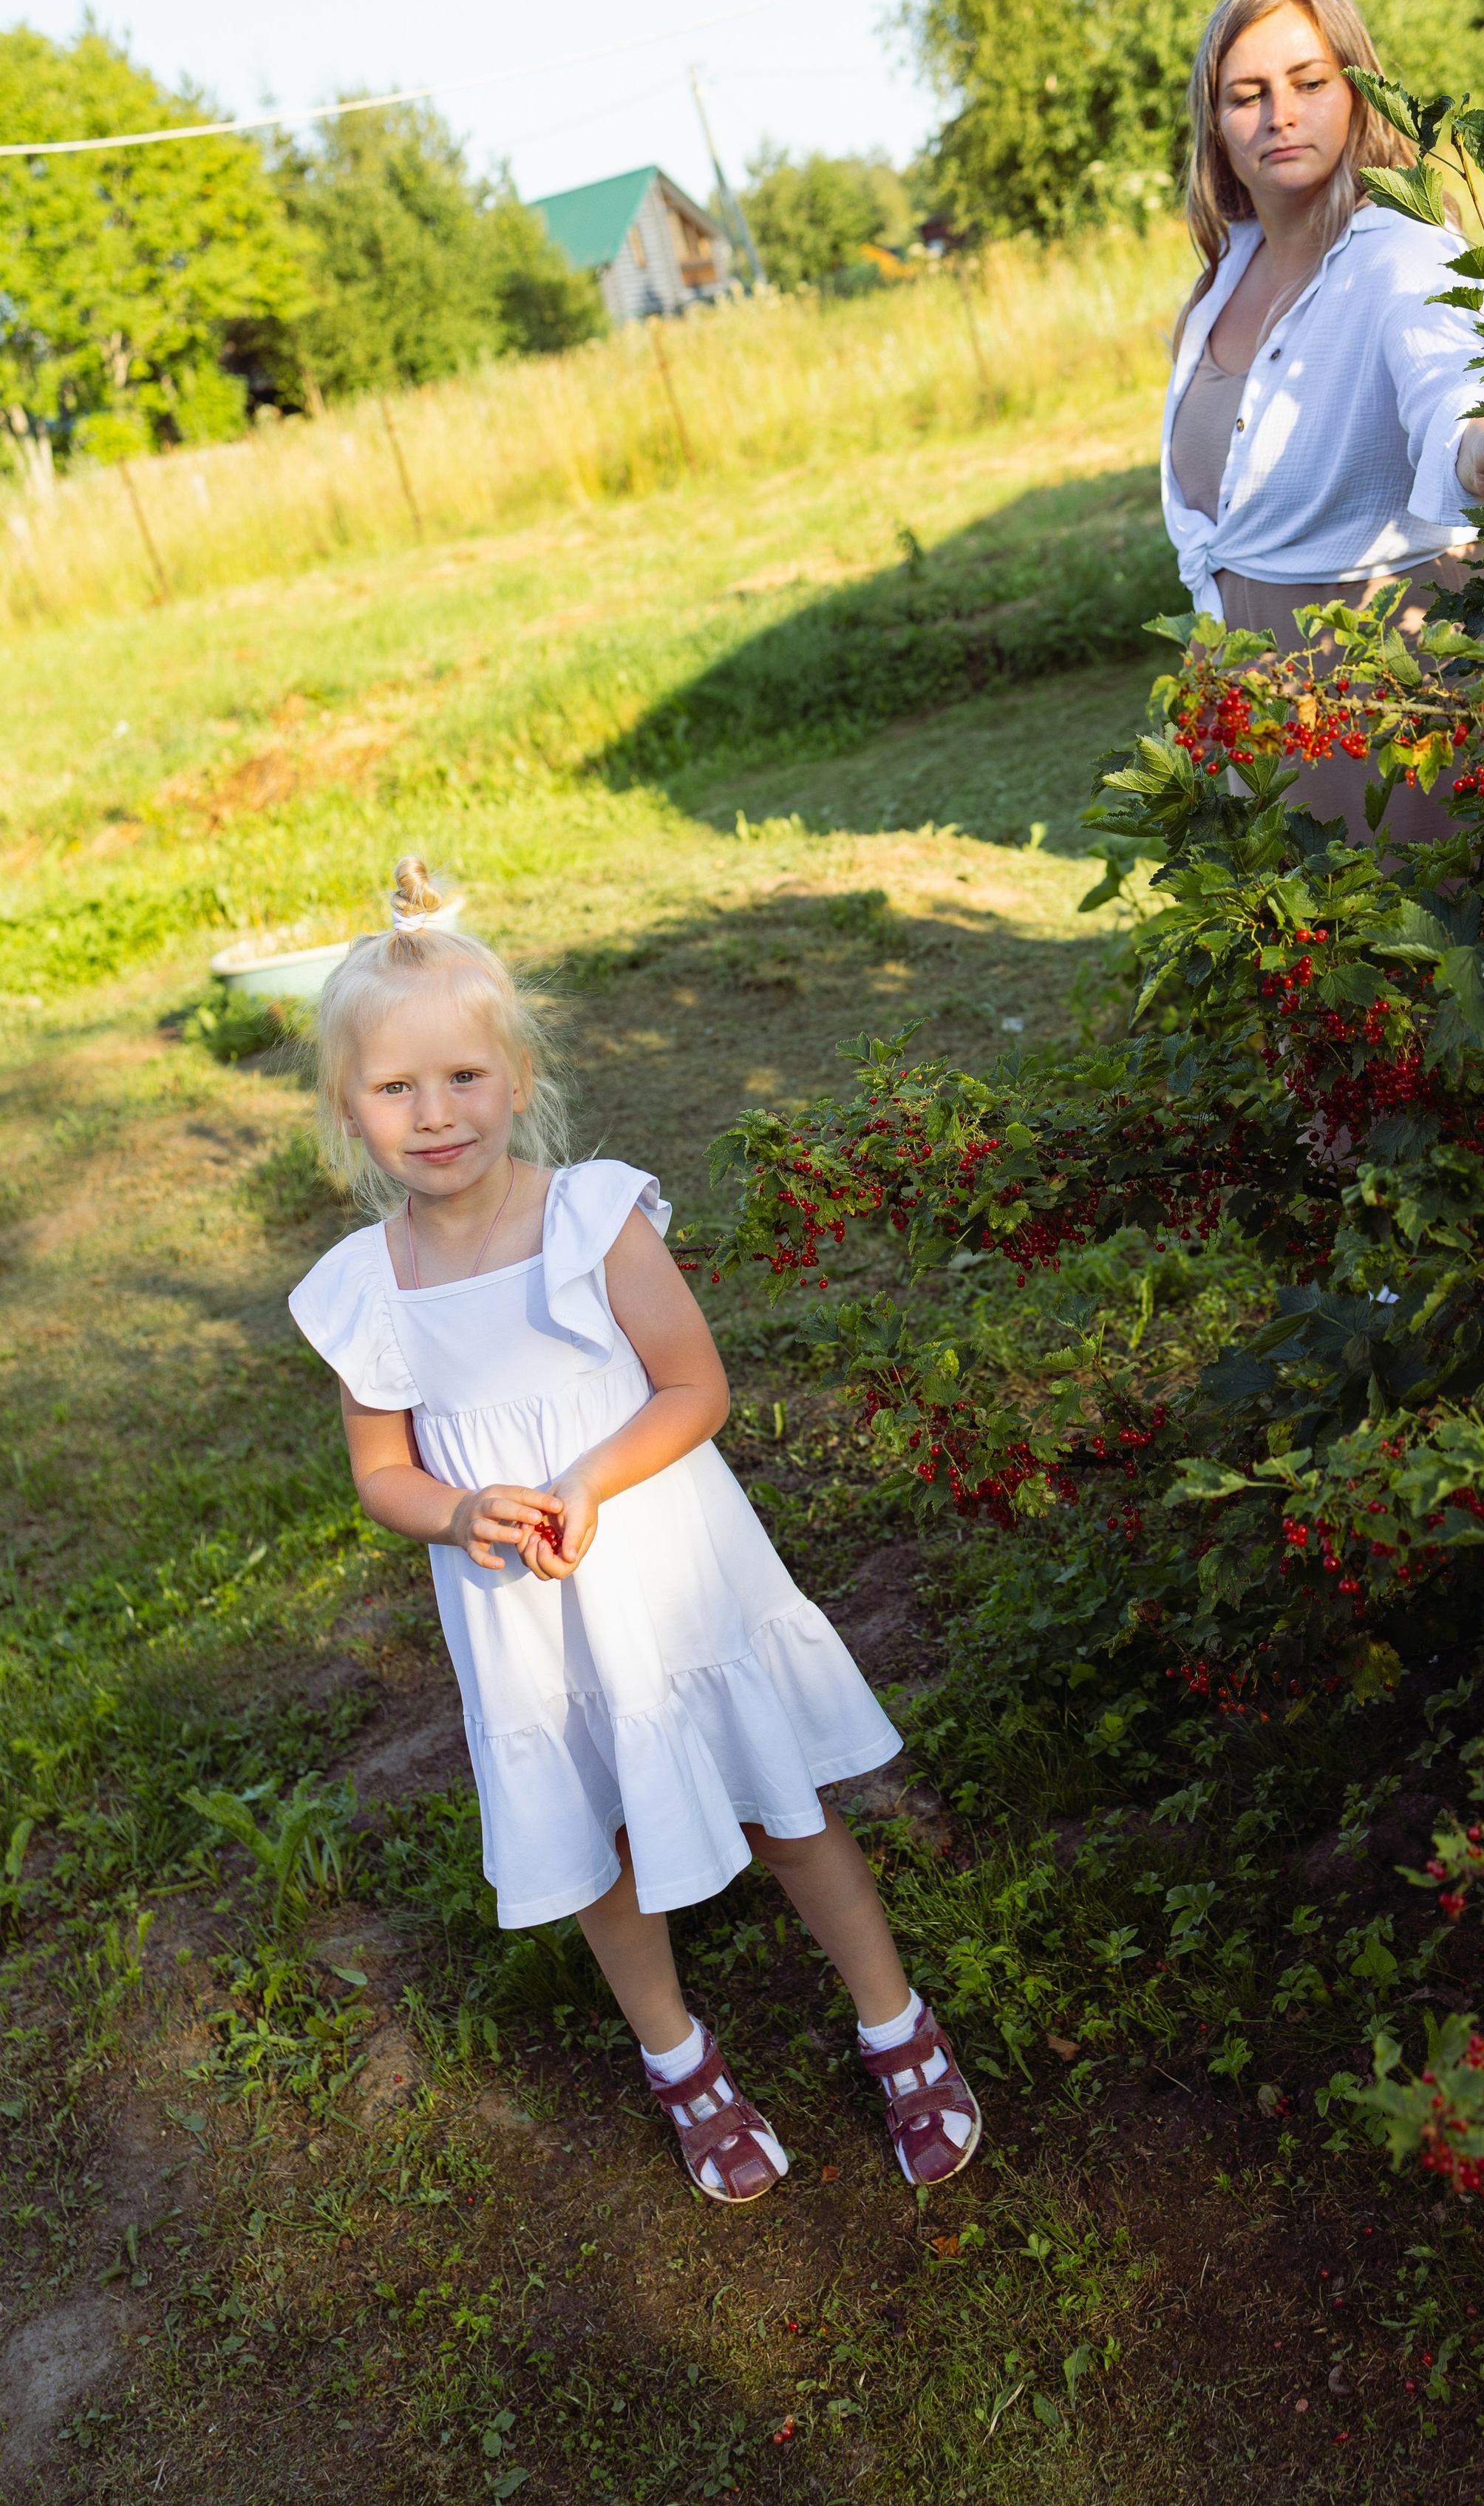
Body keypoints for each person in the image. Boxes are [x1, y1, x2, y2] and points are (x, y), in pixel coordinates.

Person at [287, 858, 980, 2204]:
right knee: (598, 1841)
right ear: (345, 1109)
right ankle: (679, 2059)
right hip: (529, 1615)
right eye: (395, 1090)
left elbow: (695, 1388)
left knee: (789, 1805)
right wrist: (460, 1508)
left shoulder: (591, 1216)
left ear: (519, 1076)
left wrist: (592, 1478)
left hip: (667, 1569)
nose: (436, 1117)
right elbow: (382, 1473)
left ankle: (894, 2024)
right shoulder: (365, 1291)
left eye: (465, 1080)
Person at [1161, 0, 1484, 845]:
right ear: (1214, 122)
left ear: (1357, 91)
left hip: (1399, 688)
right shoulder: (1226, 275)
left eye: (1309, 83)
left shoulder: (1401, 251)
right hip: (1265, 697)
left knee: (1444, 950)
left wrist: (1478, 444)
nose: (1279, 116)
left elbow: (1447, 374)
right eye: (1245, 94)